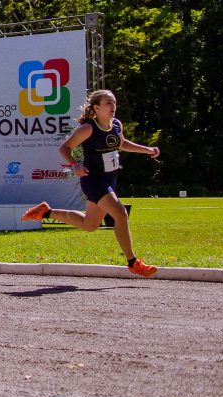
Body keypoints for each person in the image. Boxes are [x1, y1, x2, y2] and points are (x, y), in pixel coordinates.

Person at [23, 89, 160, 277]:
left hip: (109, 180)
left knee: (89, 224)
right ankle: (133, 262)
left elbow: (122, 144)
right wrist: (74, 165)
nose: (113, 106)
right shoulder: (89, 128)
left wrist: (147, 150)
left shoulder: (116, 125)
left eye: (114, 103)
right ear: (96, 108)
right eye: (108, 103)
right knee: (121, 215)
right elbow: (65, 148)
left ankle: (45, 212)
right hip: (93, 180)